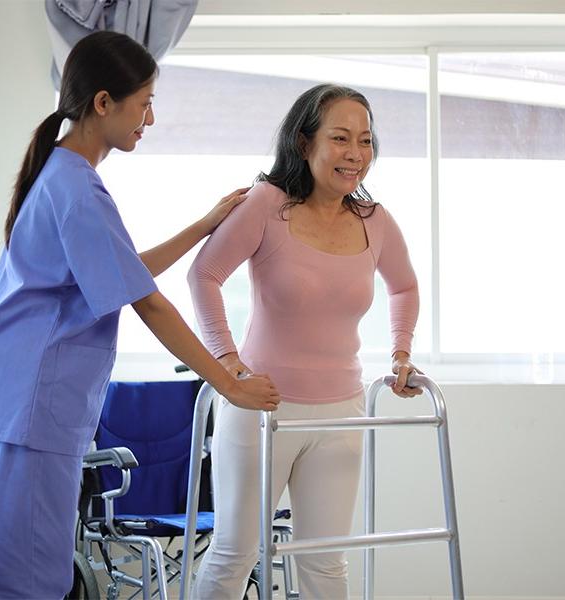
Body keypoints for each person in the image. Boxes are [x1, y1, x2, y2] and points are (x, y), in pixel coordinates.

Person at [0, 31, 279, 600]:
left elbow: (123, 270)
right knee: (29, 585)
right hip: (26, 405)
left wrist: (204, 225)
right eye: (144, 101)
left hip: (10, 399)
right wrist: (229, 383)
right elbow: (148, 302)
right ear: (104, 102)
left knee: (31, 576)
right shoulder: (78, 190)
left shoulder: (61, 174)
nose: (149, 118)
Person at [187, 83, 422, 600]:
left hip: (342, 411)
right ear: (303, 141)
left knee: (325, 564)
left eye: (365, 140)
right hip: (263, 408)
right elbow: (204, 274)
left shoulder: (374, 220)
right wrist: (228, 363)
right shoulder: (266, 204)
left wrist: (401, 353)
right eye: (340, 138)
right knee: (234, 555)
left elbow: (403, 285)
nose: (355, 154)